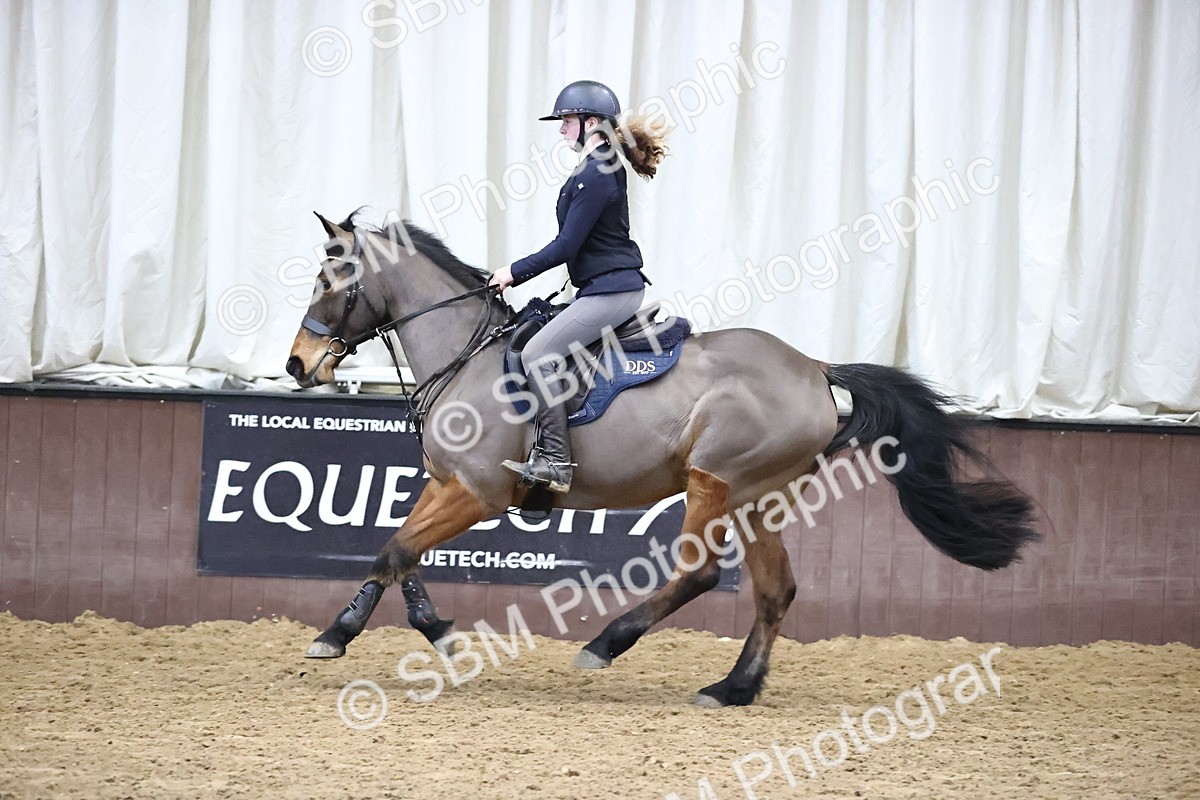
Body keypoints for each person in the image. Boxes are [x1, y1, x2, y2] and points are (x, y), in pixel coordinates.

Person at [489, 80, 669, 494]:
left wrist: (511, 271)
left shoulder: (598, 170)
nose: (561, 129)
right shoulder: (596, 166)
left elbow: (567, 245)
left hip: (613, 291)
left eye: (567, 121)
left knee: (537, 354)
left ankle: (555, 462)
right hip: (598, 287)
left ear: (592, 122)